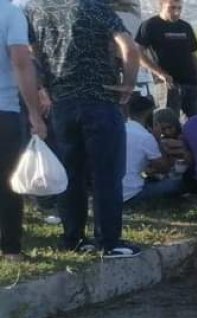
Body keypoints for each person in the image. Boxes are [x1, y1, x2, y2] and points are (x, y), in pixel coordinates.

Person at [27, 0, 143, 258]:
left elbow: (32, 55)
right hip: (100, 101)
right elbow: (130, 49)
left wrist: (43, 87)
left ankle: (73, 238)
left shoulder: (37, 11)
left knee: (70, 175)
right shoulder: (96, 8)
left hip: (62, 104)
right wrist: (129, 83)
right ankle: (108, 242)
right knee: (107, 175)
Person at [1, 0, 46, 261]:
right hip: (3, 109)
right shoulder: (10, 13)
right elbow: (20, 61)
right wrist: (34, 112)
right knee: (7, 181)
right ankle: (11, 250)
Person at [135, 0, 197, 119]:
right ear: (161, 6)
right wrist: (160, 73)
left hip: (190, 83)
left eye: (179, 8)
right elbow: (138, 53)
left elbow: (193, 55)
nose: (176, 12)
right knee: (168, 124)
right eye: (172, 8)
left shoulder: (185, 27)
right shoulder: (150, 25)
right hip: (166, 85)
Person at [122, 93, 182, 206]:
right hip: (131, 194)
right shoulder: (146, 137)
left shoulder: (120, 129)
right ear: (148, 113)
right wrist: (157, 139)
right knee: (178, 183)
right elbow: (164, 168)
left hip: (110, 192)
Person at [151, 107, 190, 176]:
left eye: (170, 127)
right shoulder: (160, 140)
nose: (167, 132)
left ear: (175, 124)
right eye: (163, 129)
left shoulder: (185, 136)